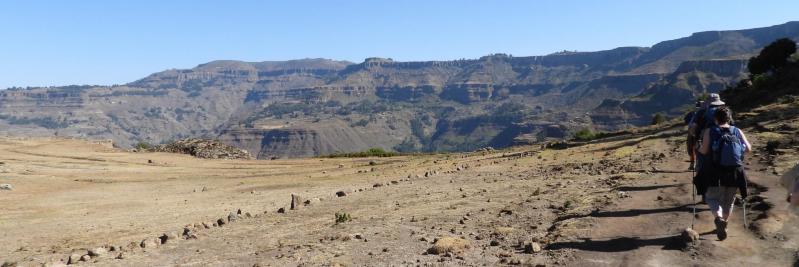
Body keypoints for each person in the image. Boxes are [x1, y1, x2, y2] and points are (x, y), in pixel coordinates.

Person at [698, 106, 751, 241]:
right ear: (729, 118)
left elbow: (704, 151)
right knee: (729, 200)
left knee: (712, 198)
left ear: (715, 118)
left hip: (715, 172)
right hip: (735, 171)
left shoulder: (710, 131)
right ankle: (724, 224)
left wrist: (698, 148)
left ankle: (718, 218)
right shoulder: (737, 131)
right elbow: (748, 149)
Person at [684, 101, 704, 170]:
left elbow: (686, 121)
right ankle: (697, 164)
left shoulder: (691, 114)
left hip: (691, 132)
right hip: (701, 133)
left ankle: (693, 164)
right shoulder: (706, 113)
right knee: (698, 148)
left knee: (691, 148)